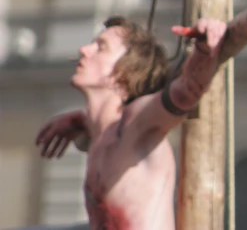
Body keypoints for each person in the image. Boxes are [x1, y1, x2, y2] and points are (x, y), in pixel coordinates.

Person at [35, 16, 228, 230]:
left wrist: (205, 51)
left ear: (123, 72)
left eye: (101, 47)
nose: (84, 50)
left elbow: (185, 93)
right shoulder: (101, 134)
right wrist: (80, 120)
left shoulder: (135, 122)